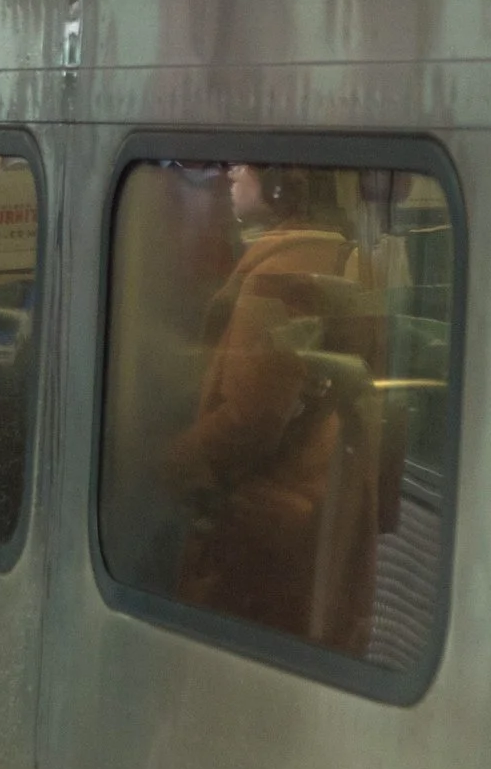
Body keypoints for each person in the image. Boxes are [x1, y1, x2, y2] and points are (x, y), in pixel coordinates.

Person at [163, 164, 380, 652]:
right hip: (317, 521)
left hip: (263, 541)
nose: (232, 169)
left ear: (284, 182)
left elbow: (251, 417)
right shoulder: (345, 254)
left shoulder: (284, 272)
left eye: (250, 161)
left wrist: (163, 468)